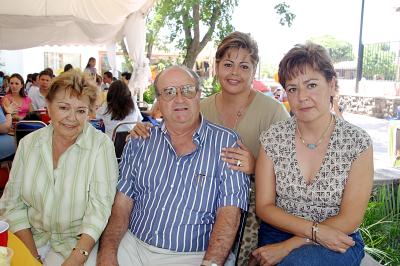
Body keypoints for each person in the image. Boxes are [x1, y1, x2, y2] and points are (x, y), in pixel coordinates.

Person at [131, 31, 289, 264]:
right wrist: (142, 130)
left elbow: (291, 174)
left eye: (244, 66)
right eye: (228, 64)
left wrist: (256, 167)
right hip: (197, 207)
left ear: (253, 70)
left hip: (254, 213)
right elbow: (169, 135)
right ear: (216, 67)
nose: (235, 73)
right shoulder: (199, 107)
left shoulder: (273, 112)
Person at [92, 65, 250, 266]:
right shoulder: (140, 141)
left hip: (193, 256)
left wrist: (210, 263)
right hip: (133, 247)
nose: (179, 99)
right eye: (168, 92)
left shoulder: (227, 143)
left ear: (199, 94)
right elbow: (121, 206)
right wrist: (107, 253)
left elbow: (230, 214)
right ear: (158, 100)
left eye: (187, 90)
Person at [252, 42, 373, 266]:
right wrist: (314, 231)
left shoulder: (357, 143)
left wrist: (293, 244)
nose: (302, 97)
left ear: (332, 84)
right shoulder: (273, 138)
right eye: (293, 88)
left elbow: (350, 218)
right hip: (278, 234)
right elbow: (264, 206)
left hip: (337, 238)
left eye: (311, 85)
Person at [0, 69, 119, 265]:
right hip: (31, 237)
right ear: (48, 106)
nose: (72, 118)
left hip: (78, 244)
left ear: (89, 113)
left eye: (81, 111)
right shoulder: (29, 144)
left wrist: (77, 257)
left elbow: (99, 209)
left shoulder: (101, 146)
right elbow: (12, 204)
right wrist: (33, 258)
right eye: (64, 108)